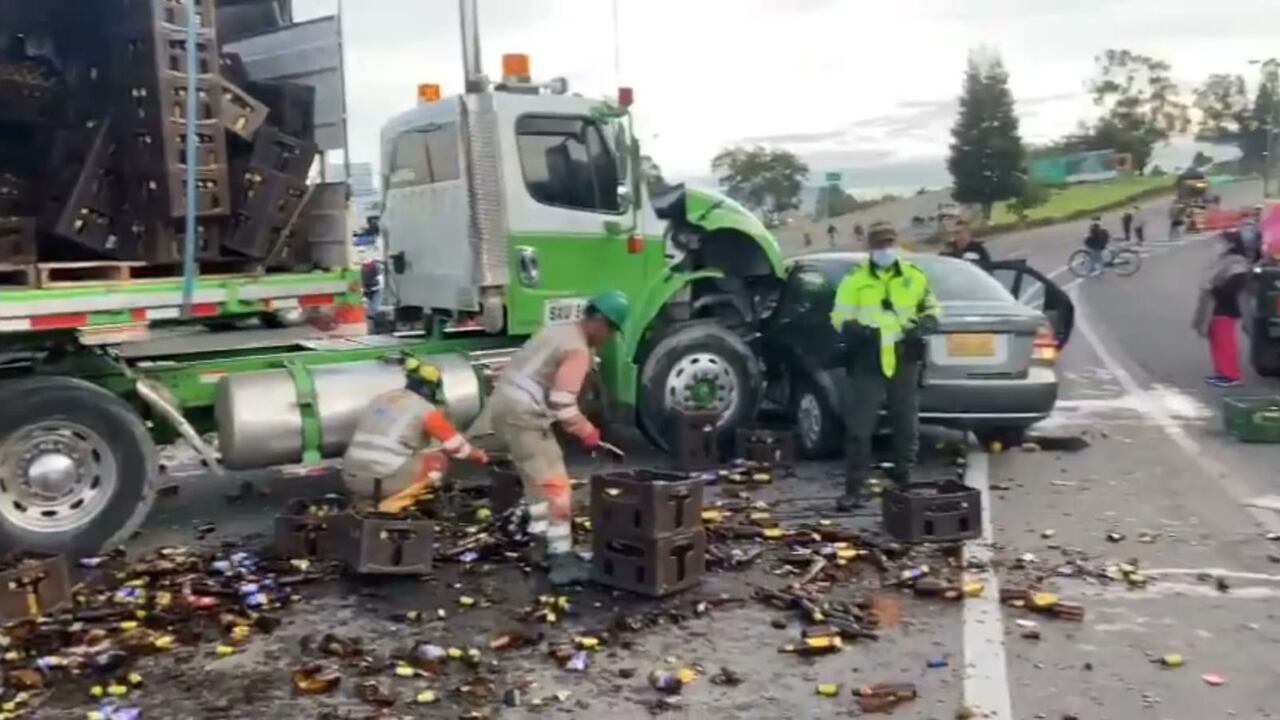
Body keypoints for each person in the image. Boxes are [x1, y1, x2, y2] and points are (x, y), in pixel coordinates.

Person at [489, 291, 629, 585]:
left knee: (536, 484)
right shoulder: (577, 348)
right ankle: (561, 559)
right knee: (556, 487)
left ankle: (540, 545)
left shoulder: (559, 330)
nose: (609, 337)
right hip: (525, 415)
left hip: (504, 408)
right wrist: (588, 432)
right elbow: (563, 404)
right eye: (611, 329)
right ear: (599, 321)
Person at [829, 221, 939, 511]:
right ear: (870, 247)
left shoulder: (914, 276)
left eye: (889, 243)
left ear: (896, 243)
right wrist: (855, 329)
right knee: (859, 427)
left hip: (904, 357)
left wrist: (927, 323)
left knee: (906, 422)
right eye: (879, 244)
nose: (885, 249)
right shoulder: (855, 280)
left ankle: (903, 481)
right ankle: (855, 488)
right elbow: (838, 315)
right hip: (869, 358)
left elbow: (931, 307)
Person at [343, 357, 490, 514]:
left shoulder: (381, 399)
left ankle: (366, 503)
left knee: (402, 459)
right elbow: (456, 447)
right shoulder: (424, 409)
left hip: (351, 477)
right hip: (385, 479)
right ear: (430, 389)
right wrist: (479, 455)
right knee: (437, 461)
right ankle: (391, 507)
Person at [1193, 231, 1252, 388]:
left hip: (1226, 308)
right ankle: (1221, 372)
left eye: (1220, 242)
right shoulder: (1223, 260)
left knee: (1226, 343)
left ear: (1231, 244)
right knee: (1216, 342)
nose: (1216, 245)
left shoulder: (1237, 262)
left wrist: (1214, 289)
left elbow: (1234, 286)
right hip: (1215, 307)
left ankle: (1232, 375)